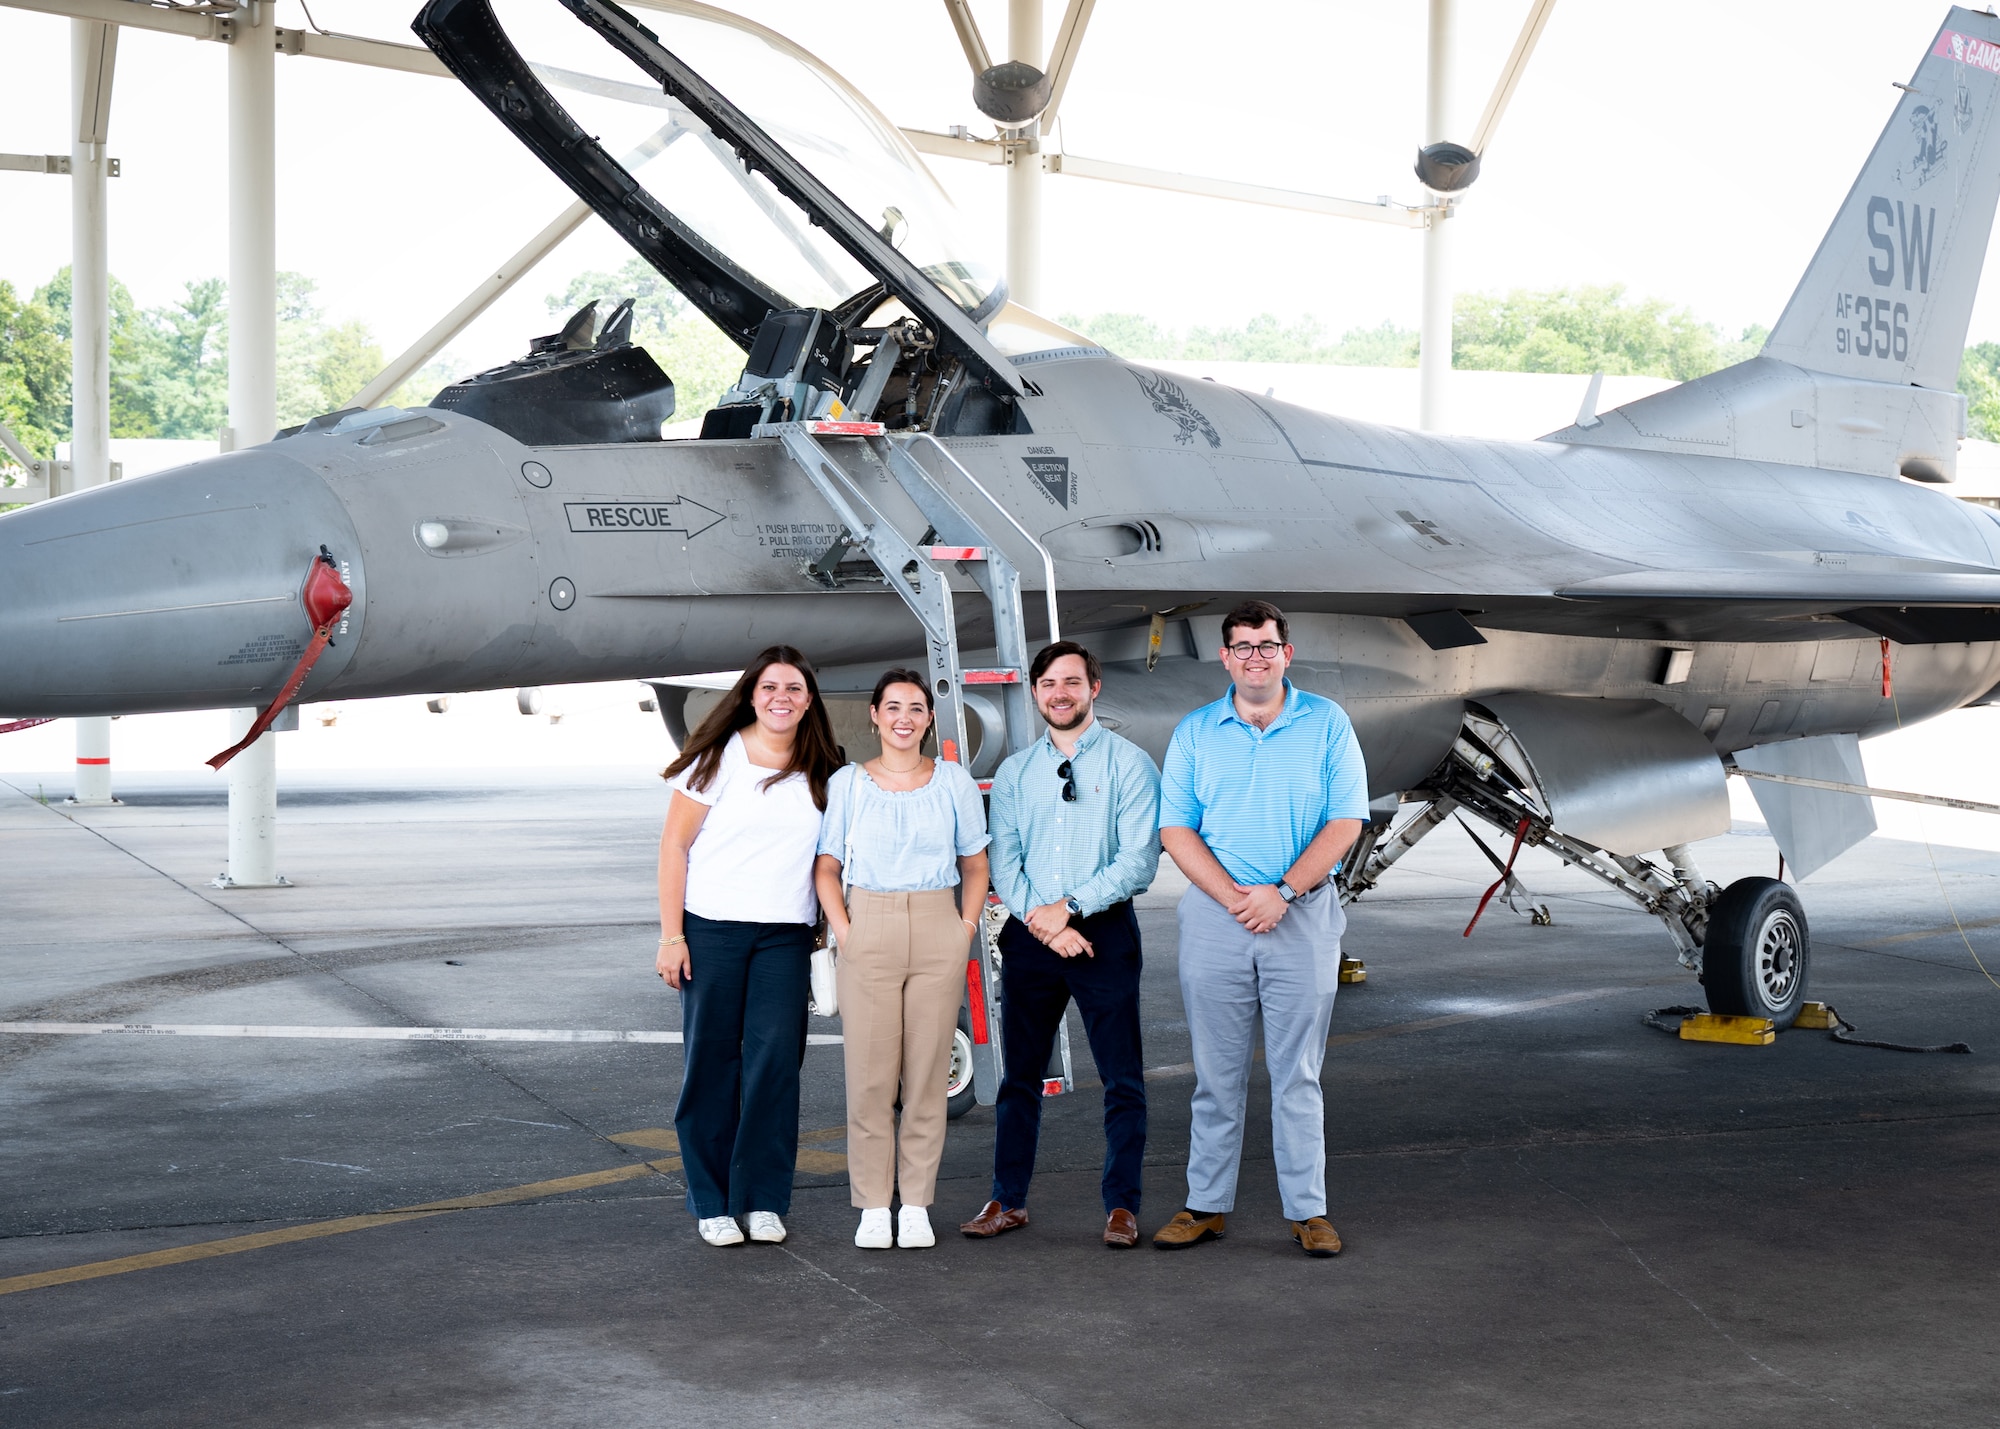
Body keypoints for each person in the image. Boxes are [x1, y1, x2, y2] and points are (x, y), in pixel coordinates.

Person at [1153, 601, 1369, 1258]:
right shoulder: (1195, 732)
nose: (1255, 656)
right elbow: (1176, 830)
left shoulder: (1327, 724)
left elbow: (1345, 822)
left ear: (1286, 653)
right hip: (1217, 920)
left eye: (1266, 645)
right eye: (1242, 646)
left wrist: (1281, 893)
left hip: (1299, 918)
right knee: (1214, 1075)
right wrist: (1234, 898)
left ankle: (1308, 1210)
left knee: (1298, 1072)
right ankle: (1205, 1205)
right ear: (1225, 658)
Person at [962, 640, 1161, 1249]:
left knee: (1121, 1077)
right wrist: (1045, 922)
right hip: (1031, 935)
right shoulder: (1019, 772)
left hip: (1103, 932)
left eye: (1072, 682)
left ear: (1093, 688)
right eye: (1049, 684)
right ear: (1036, 692)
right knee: (1017, 1076)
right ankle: (1008, 1199)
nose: (1060, 693)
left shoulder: (1130, 764)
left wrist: (1069, 910)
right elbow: (1004, 859)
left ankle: (1122, 1206)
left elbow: (1139, 860)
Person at [657, 646, 842, 1249]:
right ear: (751, 694)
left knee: (774, 1070)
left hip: (785, 937)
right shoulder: (715, 759)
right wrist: (672, 936)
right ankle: (711, 1201)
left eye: (793, 688)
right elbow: (674, 850)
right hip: (712, 931)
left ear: (808, 699)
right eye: (770, 687)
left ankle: (761, 1200)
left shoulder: (824, 768)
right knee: (711, 1067)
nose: (781, 698)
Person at [815, 671, 990, 1250]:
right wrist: (846, 930)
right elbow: (826, 866)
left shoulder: (953, 782)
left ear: (929, 718)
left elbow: (975, 864)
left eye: (916, 707)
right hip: (869, 924)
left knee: (925, 1076)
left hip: (939, 924)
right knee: (868, 1078)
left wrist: (962, 929)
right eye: (893, 707)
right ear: (874, 714)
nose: (904, 717)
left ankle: (914, 1203)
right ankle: (872, 1204)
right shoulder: (849, 784)